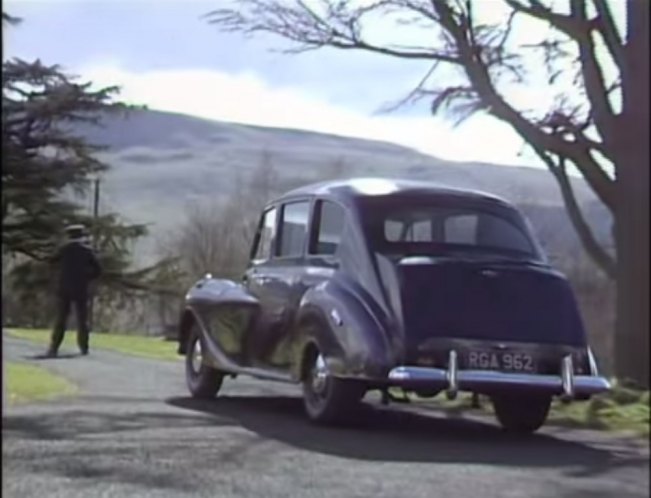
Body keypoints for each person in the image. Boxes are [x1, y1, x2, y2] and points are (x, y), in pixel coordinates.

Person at [46, 224, 102, 357]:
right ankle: (84, 347)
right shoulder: (87, 251)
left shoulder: (63, 249)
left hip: (64, 288)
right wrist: (86, 277)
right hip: (81, 288)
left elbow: (51, 262)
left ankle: (54, 347)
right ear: (81, 236)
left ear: (68, 236)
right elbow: (98, 270)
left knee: (61, 318)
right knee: (82, 319)